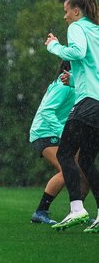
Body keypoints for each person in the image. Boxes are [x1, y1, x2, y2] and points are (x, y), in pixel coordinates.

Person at [45, 0, 99, 233]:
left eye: (66, 12)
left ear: (76, 11)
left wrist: (54, 46)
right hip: (96, 102)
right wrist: (74, 81)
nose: (65, 17)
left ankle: (77, 209)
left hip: (87, 103)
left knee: (65, 154)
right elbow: (92, 69)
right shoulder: (96, 30)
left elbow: (77, 52)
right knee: (86, 161)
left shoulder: (76, 27)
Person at [29, 61, 89, 224]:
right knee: (67, 170)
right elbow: (47, 111)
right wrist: (64, 133)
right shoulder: (63, 85)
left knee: (85, 172)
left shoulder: (75, 85)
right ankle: (40, 211)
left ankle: (78, 213)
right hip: (45, 133)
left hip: (57, 132)